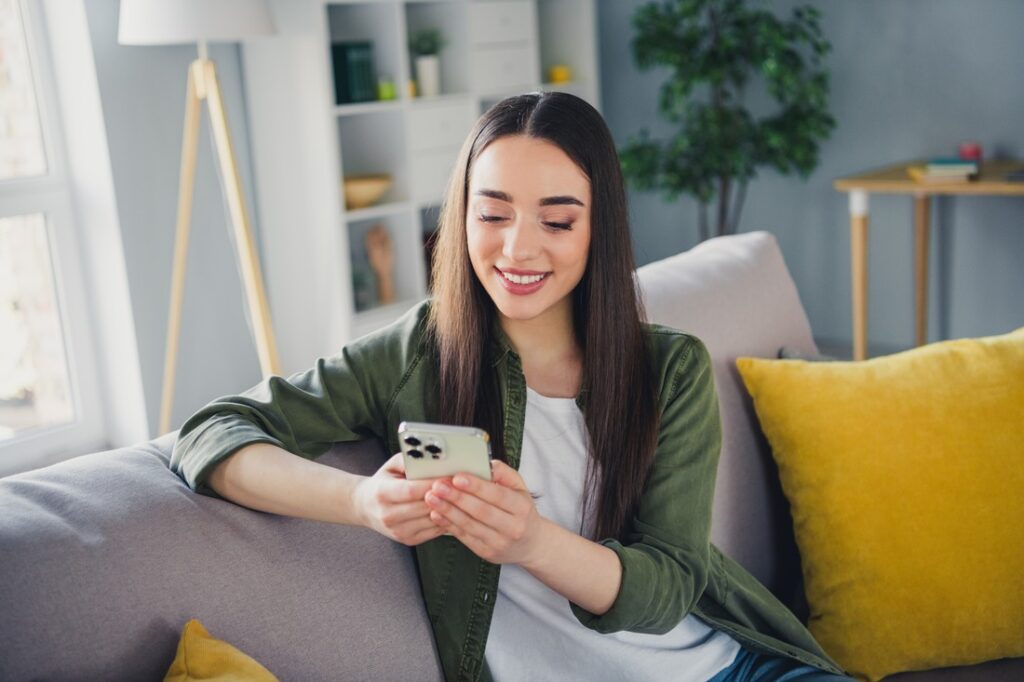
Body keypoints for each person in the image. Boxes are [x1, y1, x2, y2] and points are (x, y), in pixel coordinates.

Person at [170, 92, 852, 682]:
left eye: (557, 221)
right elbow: (212, 432)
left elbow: (669, 588)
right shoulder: (419, 353)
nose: (518, 249)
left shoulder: (669, 370)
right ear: (462, 216)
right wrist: (362, 501)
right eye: (492, 214)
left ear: (598, 230)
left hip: (725, 668)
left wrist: (530, 542)